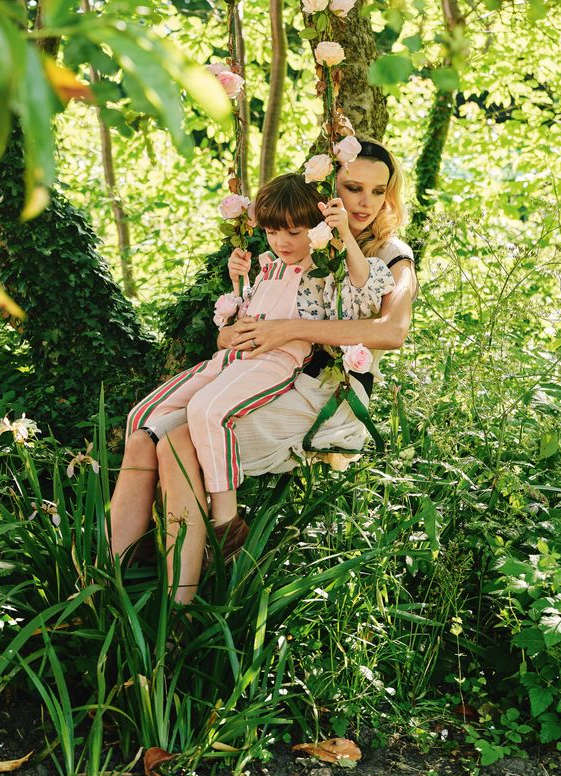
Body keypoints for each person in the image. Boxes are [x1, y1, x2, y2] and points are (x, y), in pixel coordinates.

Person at [109, 139, 414, 599]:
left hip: (321, 387)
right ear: (329, 190)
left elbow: (391, 332)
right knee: (142, 438)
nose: (365, 203)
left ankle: (184, 600)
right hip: (259, 367)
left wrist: (288, 331)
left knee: (178, 446)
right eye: (352, 188)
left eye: (378, 191)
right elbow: (256, 316)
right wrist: (230, 334)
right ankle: (122, 583)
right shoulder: (296, 242)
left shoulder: (391, 253)